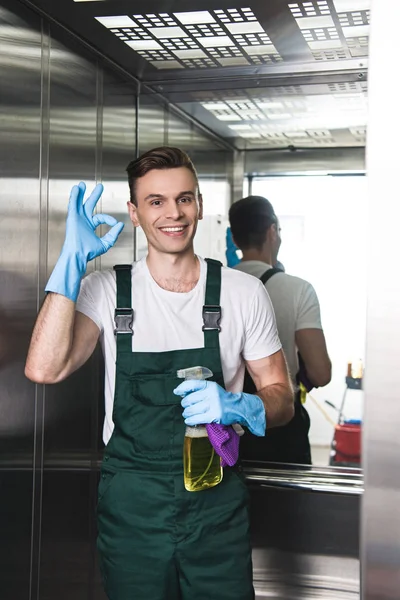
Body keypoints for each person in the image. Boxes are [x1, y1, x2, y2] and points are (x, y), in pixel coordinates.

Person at [25, 148, 294, 600]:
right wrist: (69, 262)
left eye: (184, 199)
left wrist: (244, 406)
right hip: (133, 511)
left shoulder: (242, 293)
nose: (173, 213)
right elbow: (44, 368)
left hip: (216, 507)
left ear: (200, 205)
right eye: (156, 201)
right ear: (134, 212)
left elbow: (282, 398)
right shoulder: (106, 290)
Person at [228, 195, 331, 465]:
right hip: (281, 424)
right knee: (287, 504)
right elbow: (320, 372)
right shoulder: (298, 290)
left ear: (235, 238)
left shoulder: (213, 287)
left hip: (226, 426)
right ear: (272, 231)